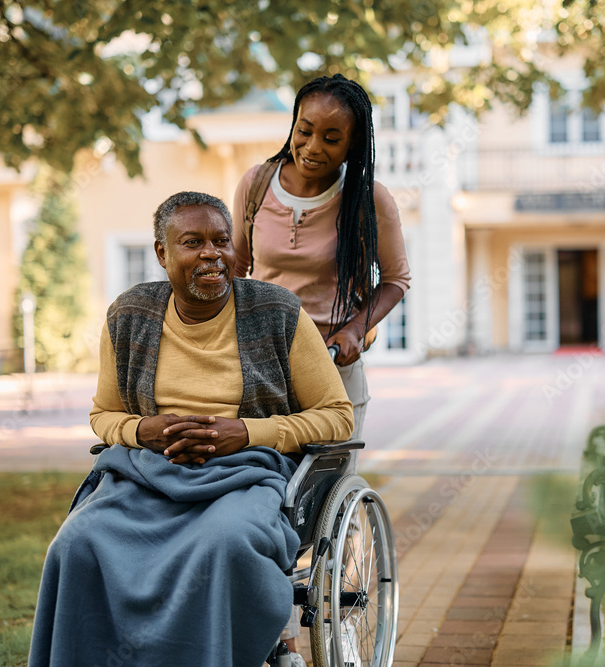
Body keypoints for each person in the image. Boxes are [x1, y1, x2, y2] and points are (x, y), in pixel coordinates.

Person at [28, 192, 353, 667]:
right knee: (76, 544)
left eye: (221, 241)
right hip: (148, 475)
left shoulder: (276, 312)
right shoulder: (130, 315)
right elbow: (103, 415)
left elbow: (337, 415)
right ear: (162, 253)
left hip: (244, 476)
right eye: (192, 242)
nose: (211, 254)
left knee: (221, 543)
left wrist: (246, 432)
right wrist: (146, 430)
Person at [233, 73, 411, 446]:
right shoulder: (256, 184)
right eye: (304, 131)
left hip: (331, 367)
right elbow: (236, 267)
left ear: (353, 142)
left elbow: (396, 280)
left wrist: (354, 330)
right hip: (262, 366)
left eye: (331, 139)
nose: (313, 148)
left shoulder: (368, 200)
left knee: (322, 488)